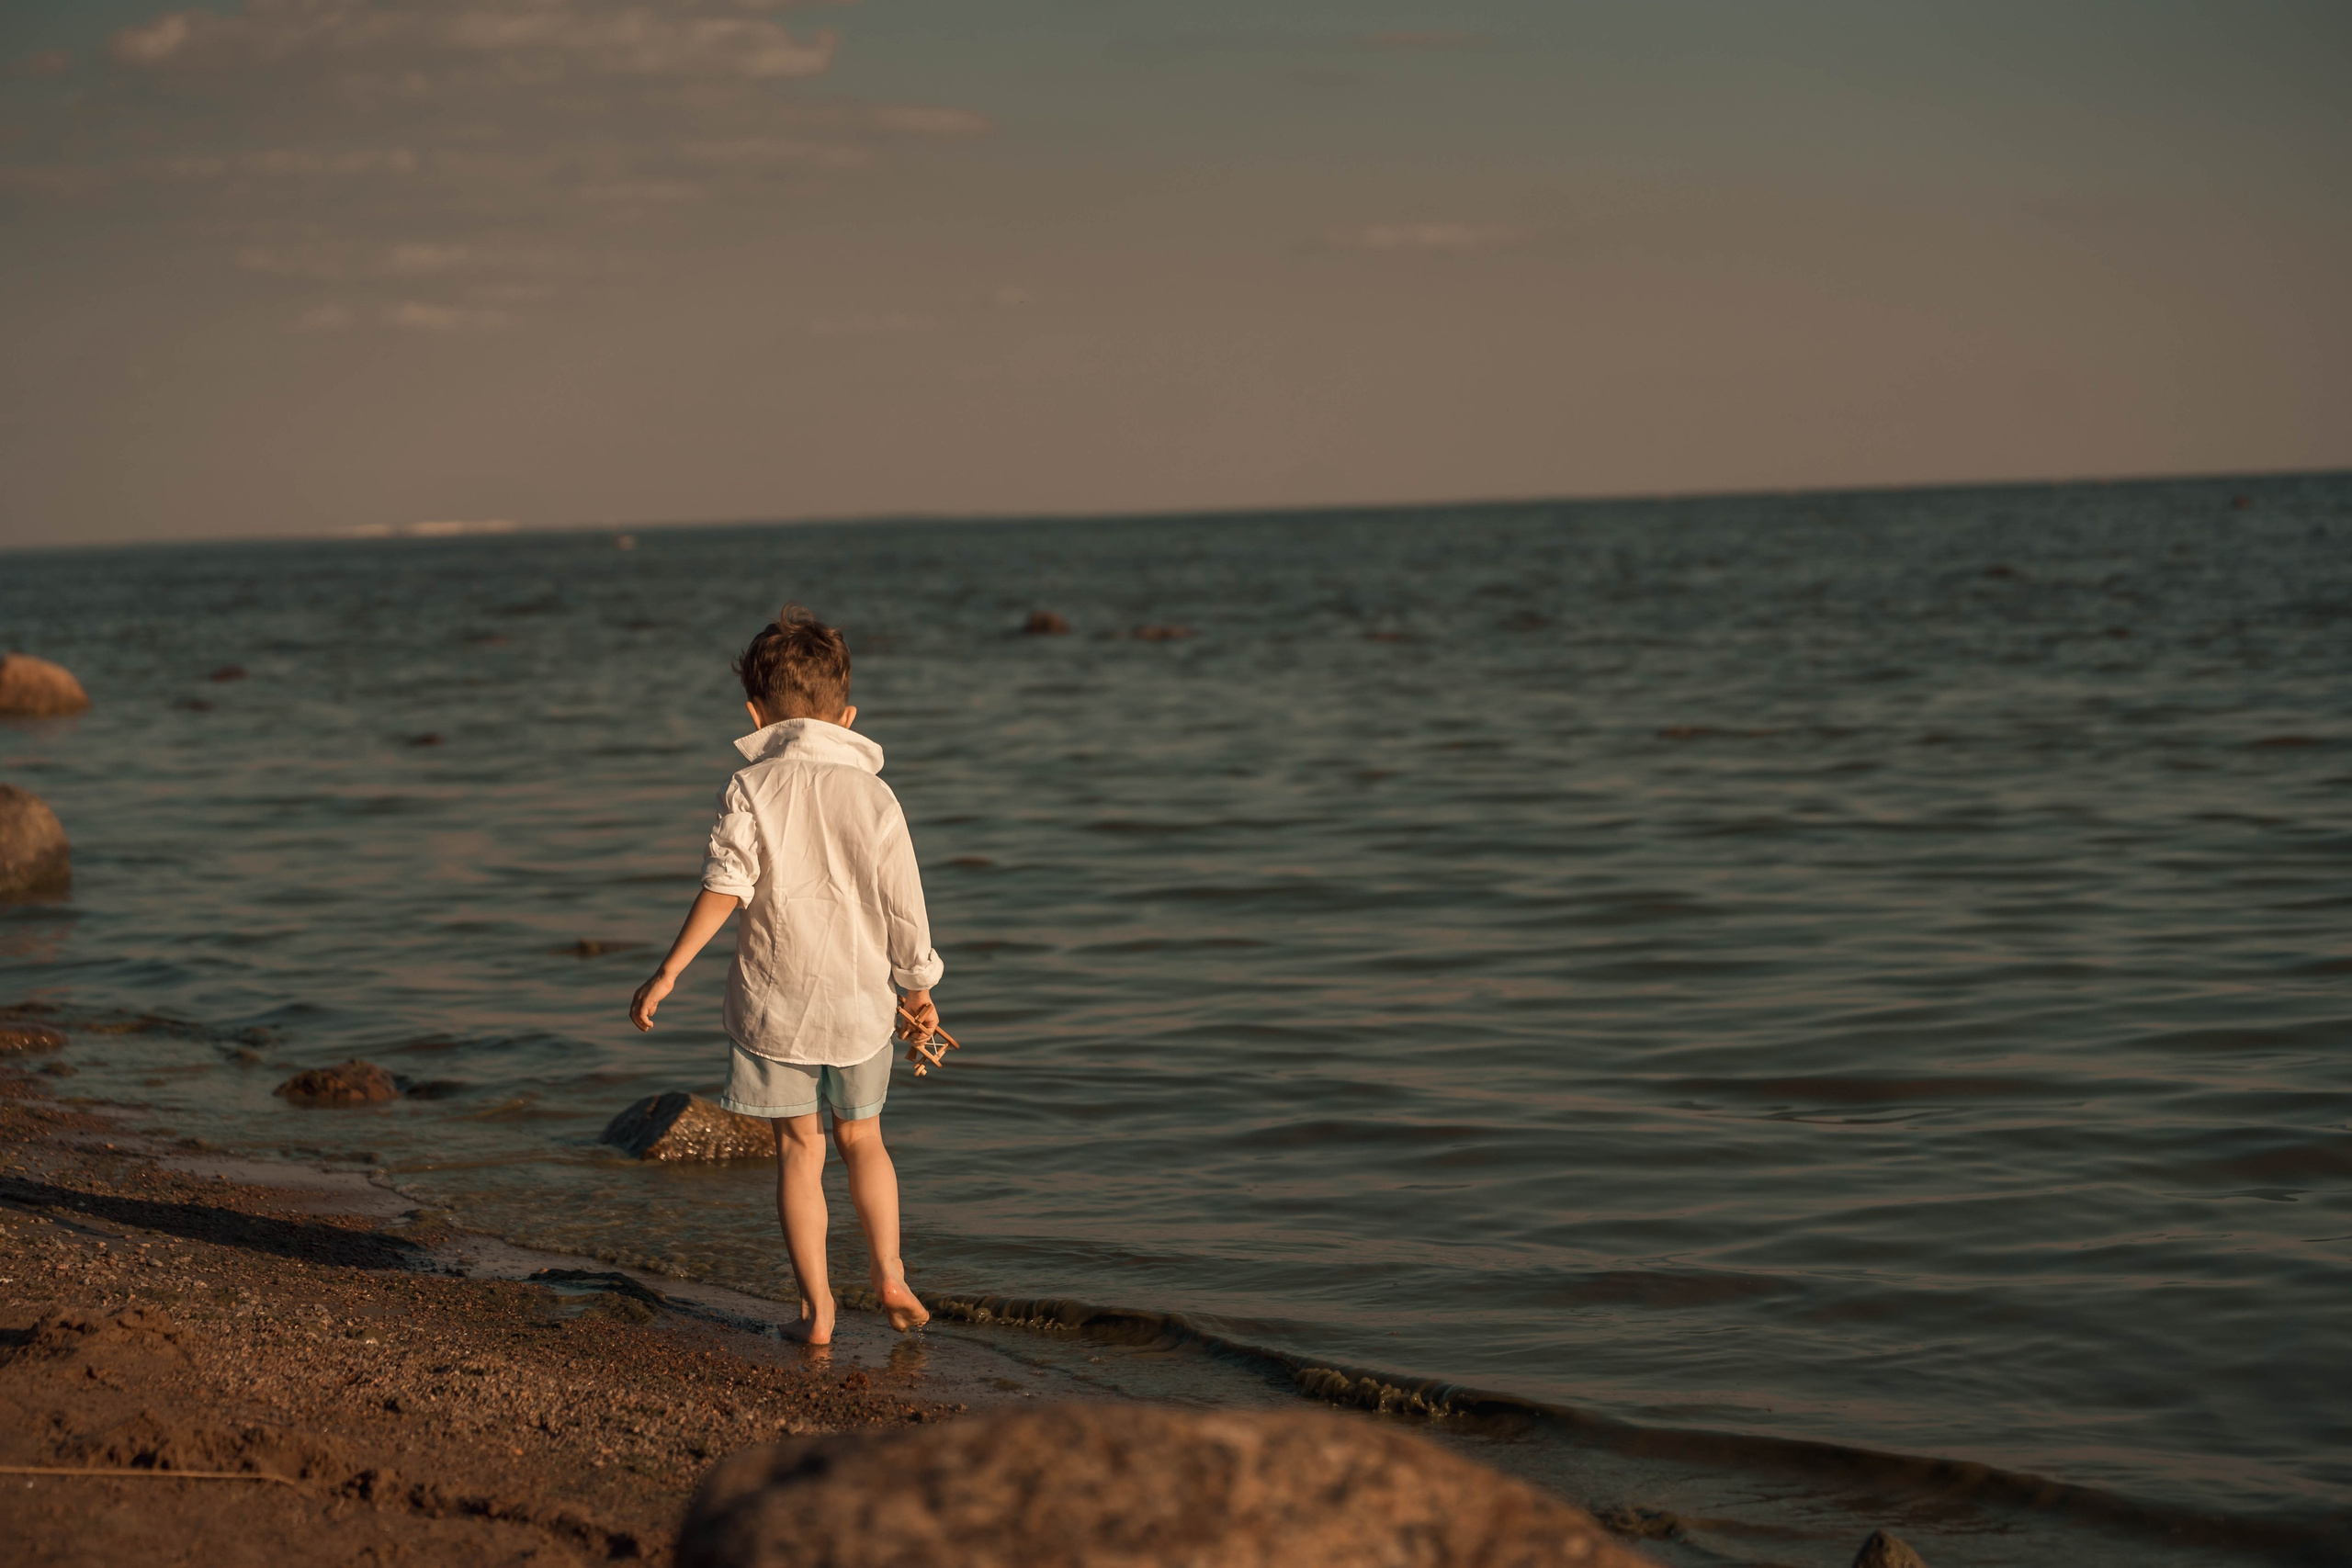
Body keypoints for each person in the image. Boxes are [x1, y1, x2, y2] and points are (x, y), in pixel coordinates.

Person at [628, 604, 942, 1344]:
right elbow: (905, 901)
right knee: (864, 1138)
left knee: (801, 1150)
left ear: (754, 711)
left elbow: (725, 885)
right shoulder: (875, 794)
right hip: (862, 1003)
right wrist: (919, 987)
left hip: (776, 1008)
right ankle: (890, 1269)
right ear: (849, 714)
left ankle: (818, 1312)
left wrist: (668, 970)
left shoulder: (751, 787)